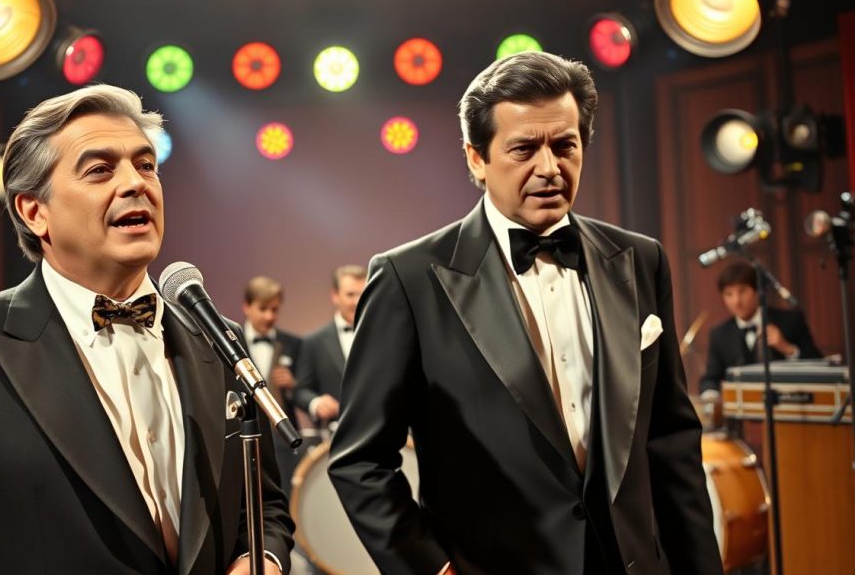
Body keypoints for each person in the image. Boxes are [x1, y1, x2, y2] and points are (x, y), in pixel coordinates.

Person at [0, 85, 292, 574]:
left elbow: (265, 508)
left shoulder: (214, 337)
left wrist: (260, 558)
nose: (136, 184)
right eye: (100, 170)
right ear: (35, 212)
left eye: (146, 165)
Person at [328, 52, 722, 575]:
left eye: (565, 146)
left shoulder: (640, 259)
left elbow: (670, 442)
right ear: (475, 157)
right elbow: (360, 461)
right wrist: (431, 569)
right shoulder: (409, 279)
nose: (549, 167)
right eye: (524, 148)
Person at [698, 260, 822, 397]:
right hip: (741, 411)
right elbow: (710, 379)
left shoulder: (790, 320)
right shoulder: (719, 334)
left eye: (742, 291)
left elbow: (818, 363)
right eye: (729, 294)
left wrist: (787, 348)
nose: (736, 301)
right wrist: (710, 397)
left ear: (757, 291)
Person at [241, 275, 303, 495]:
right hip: (245, 440)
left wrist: (293, 385)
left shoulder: (294, 344)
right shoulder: (231, 343)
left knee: (287, 501)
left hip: (284, 444)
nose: (269, 316)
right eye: (263, 308)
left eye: (275, 309)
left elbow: (304, 394)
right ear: (247, 307)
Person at [293, 265, 366, 428]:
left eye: (362, 294)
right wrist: (316, 403)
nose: (357, 301)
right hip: (335, 436)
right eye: (350, 294)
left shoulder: (384, 336)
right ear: (335, 296)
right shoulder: (314, 341)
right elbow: (301, 391)